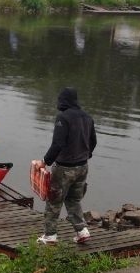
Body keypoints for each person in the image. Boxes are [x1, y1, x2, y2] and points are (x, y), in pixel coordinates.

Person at [36, 87, 96, 245]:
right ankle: (82, 231)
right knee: (74, 200)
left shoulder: (63, 118)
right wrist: (86, 155)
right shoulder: (87, 117)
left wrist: (45, 161)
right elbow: (93, 142)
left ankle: (50, 235)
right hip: (83, 167)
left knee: (54, 200)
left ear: (63, 100)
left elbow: (58, 144)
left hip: (64, 168)